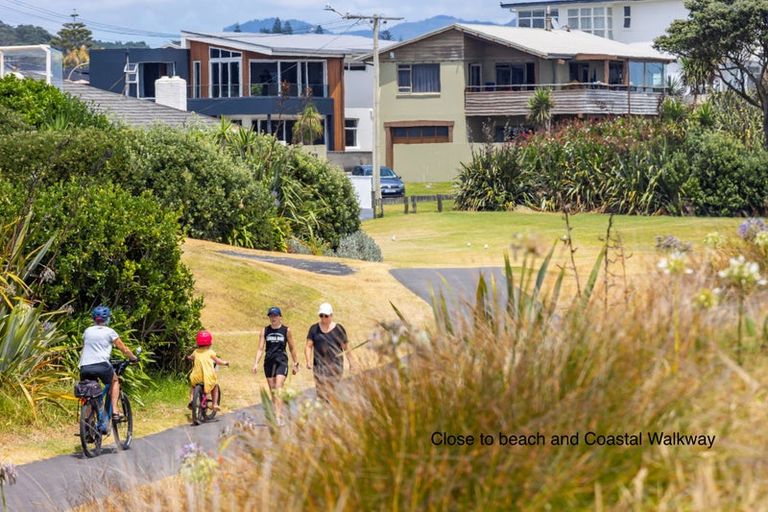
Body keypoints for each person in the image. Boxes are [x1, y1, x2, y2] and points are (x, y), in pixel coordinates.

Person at [79, 306, 138, 422]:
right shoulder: (110, 332)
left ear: (94, 319)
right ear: (107, 319)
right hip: (101, 364)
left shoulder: (87, 331)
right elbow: (123, 348)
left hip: (84, 366)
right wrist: (133, 358)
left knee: (90, 393)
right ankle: (115, 411)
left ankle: (88, 424)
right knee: (114, 381)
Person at [252, 307, 299, 423]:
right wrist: (256, 363)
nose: (273, 318)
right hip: (268, 362)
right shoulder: (265, 331)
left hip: (281, 362)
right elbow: (260, 348)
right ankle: (276, 413)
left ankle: (278, 416)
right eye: (271, 316)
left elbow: (292, 348)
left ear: (280, 317)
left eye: (275, 316)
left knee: (278, 388)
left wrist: (295, 363)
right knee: (273, 390)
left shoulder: (286, 330)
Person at [305, 302, 353, 402]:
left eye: (326, 316)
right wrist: (308, 360)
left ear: (331, 315)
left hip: (335, 366)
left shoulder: (339, 329)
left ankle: (330, 411)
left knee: (330, 390)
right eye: (321, 315)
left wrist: (351, 362)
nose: (323, 318)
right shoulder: (314, 329)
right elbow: (308, 346)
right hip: (319, 366)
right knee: (321, 393)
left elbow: (346, 347)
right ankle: (324, 412)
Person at [188, 330, 229, 411]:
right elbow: (217, 361)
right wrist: (225, 363)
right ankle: (214, 404)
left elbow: (191, 357)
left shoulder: (195, 352)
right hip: (208, 377)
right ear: (210, 343)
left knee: (193, 386)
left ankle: (192, 400)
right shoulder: (210, 352)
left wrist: (188, 357)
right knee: (215, 386)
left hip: (196, 376)